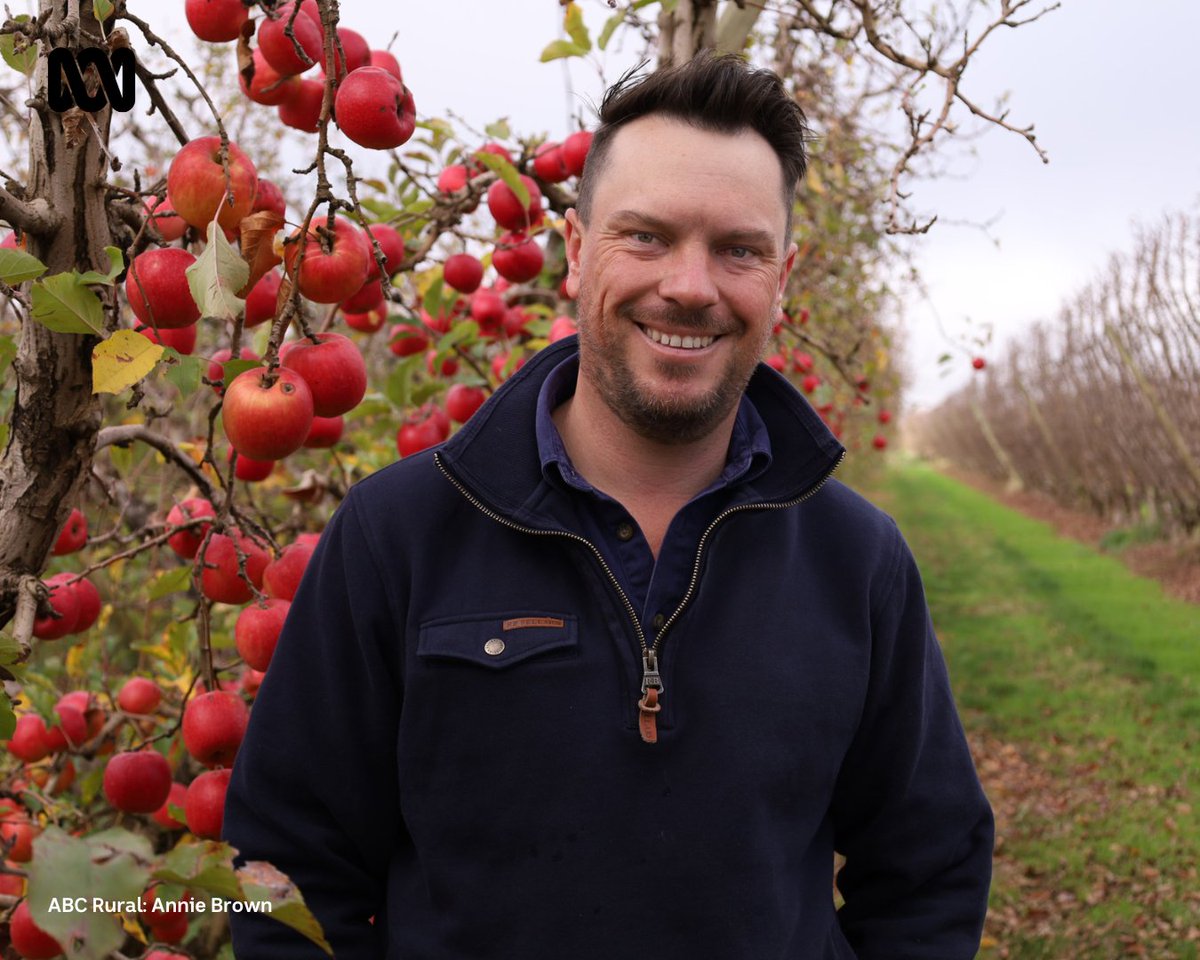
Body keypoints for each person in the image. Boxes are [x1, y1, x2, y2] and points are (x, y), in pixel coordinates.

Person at [224, 52, 994, 959]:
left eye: (738, 249)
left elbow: (929, 865)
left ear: (783, 276)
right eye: (649, 236)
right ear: (579, 248)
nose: (691, 285)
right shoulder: (397, 535)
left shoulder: (856, 561)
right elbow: (285, 866)